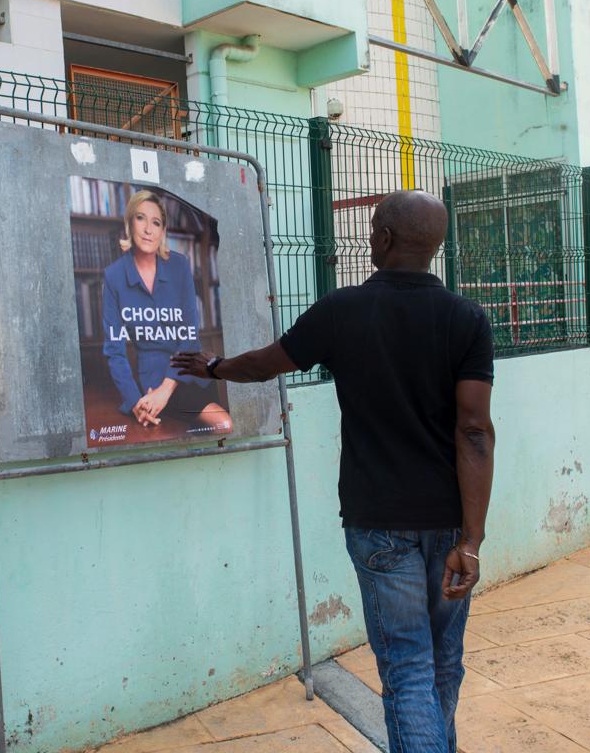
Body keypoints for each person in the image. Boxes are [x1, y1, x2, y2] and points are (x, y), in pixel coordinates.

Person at [173, 190, 495, 753]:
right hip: (449, 524)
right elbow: (474, 430)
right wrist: (471, 540)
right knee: (443, 664)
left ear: (385, 240)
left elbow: (266, 364)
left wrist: (214, 366)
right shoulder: (466, 319)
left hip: (378, 524)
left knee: (409, 672)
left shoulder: (342, 310)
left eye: (373, 231)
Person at [101, 190, 232, 432]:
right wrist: (134, 403)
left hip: (189, 372)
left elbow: (189, 335)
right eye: (141, 218)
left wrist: (165, 390)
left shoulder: (179, 265)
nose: (148, 229)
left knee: (224, 425)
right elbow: (114, 351)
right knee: (219, 426)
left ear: (162, 231)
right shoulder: (114, 276)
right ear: (130, 223)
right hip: (150, 380)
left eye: (156, 222)